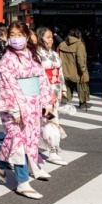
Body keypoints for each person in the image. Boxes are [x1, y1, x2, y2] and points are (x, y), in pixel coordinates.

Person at [0, 22, 55, 200]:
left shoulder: (33, 56)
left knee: (28, 141)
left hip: (33, 104)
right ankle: (22, 182)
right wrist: (15, 111)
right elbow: (7, 87)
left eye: (19, 34)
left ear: (26, 36)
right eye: (12, 34)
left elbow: (42, 80)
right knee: (18, 141)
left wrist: (47, 103)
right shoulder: (7, 60)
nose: (16, 38)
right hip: (15, 106)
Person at [36, 26, 69, 166]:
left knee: (53, 119)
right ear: (40, 38)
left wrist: (63, 88)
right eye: (48, 37)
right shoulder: (37, 54)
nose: (51, 40)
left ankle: (53, 146)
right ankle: (52, 150)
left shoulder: (54, 54)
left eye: (51, 37)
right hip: (44, 92)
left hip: (55, 90)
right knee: (48, 120)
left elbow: (60, 72)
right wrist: (46, 92)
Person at [58, 28, 90, 110]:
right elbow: (80, 60)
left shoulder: (62, 44)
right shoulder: (79, 44)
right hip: (77, 71)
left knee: (68, 87)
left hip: (65, 70)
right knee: (82, 87)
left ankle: (66, 101)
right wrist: (83, 70)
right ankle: (82, 103)